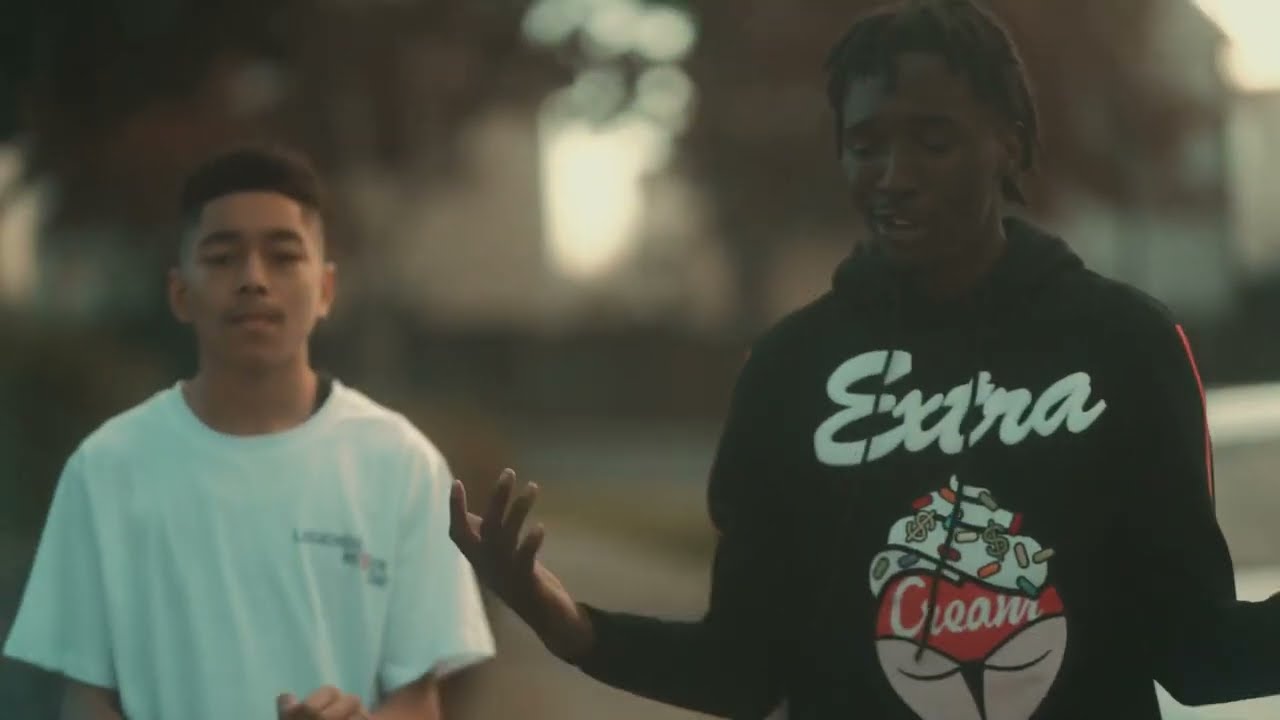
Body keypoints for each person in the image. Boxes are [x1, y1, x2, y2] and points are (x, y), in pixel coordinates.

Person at [448, 1, 1280, 718]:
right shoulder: (790, 373)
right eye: (866, 144)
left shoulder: (1123, 345)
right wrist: (569, 626)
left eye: (933, 140)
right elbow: (746, 668)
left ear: (1010, 143)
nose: (894, 176)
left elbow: (1198, 652)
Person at [4, 146, 495, 719]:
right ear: (180, 293)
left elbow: (419, 701)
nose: (253, 280)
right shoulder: (106, 468)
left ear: (326, 289)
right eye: (222, 258)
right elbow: (86, 700)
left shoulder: (401, 463)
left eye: (283, 256)